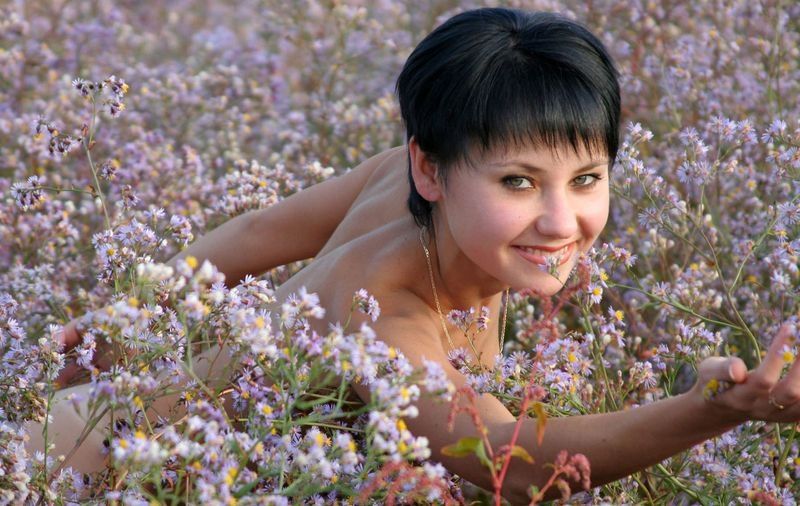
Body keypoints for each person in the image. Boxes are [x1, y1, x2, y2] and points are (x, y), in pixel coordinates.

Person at [28, 7, 799, 504]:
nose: (562, 220)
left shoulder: (429, 199)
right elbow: (512, 463)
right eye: (519, 181)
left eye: (587, 178)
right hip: (87, 475)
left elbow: (253, 236)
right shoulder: (385, 311)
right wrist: (712, 415)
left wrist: (115, 324)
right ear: (430, 166)